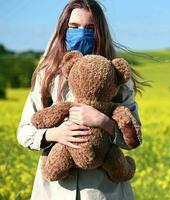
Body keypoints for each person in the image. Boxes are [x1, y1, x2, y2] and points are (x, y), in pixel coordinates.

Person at [16, 0, 147, 199]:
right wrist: (55, 134)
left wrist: (103, 122)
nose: (82, 32)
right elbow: (24, 131)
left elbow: (133, 138)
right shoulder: (48, 75)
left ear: (100, 32)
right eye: (74, 27)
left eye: (90, 28)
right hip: (56, 191)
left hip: (104, 192)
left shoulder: (115, 77)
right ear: (63, 30)